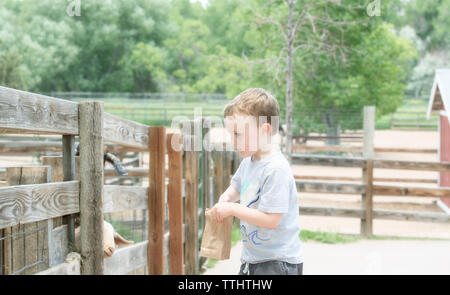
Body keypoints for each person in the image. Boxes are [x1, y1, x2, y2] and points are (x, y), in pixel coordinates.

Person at [210, 88, 303, 275]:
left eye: (238, 134)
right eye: (231, 135)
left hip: (277, 262)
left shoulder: (275, 169)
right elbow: (236, 187)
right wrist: (226, 198)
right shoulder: (249, 162)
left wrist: (233, 209)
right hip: (254, 258)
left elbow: (271, 220)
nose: (233, 141)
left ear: (264, 130)